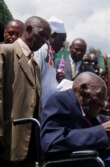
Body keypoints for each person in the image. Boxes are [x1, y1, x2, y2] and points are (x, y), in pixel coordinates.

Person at [0, 16, 51, 167]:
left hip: (28, 143)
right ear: (28, 30)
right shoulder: (5, 52)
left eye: (47, 37)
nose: (44, 41)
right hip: (7, 142)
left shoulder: (34, 63)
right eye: (42, 35)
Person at [34, 16, 67, 109]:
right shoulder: (42, 49)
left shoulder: (50, 53)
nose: (63, 43)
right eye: (62, 39)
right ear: (54, 36)